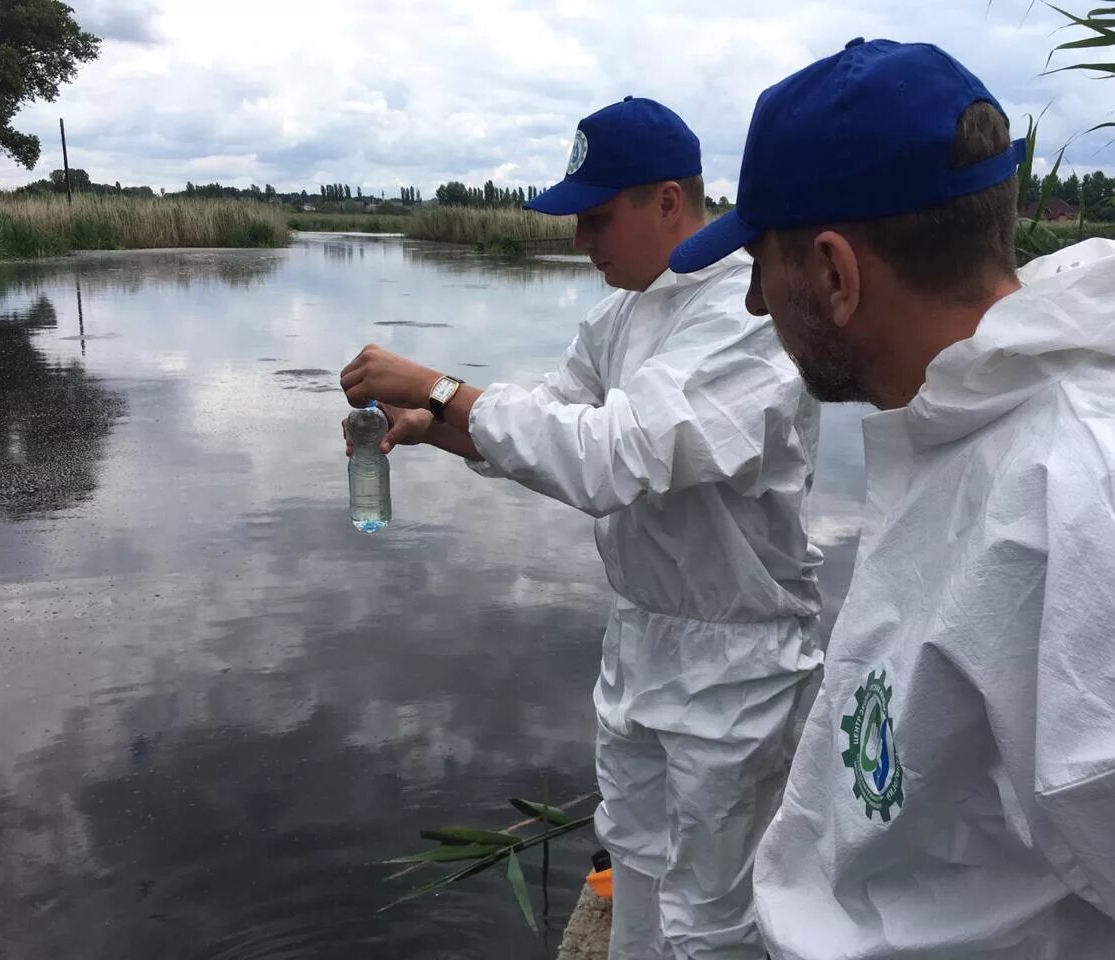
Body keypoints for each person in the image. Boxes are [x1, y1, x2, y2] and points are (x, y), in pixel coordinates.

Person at [670, 36, 1115, 960]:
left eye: (761, 263)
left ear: (834, 273)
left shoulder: (1085, 505)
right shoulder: (963, 429)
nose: (751, 304)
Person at [340, 96, 823, 958]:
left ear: (668, 202)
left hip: (738, 662)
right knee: (635, 863)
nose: (579, 242)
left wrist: (442, 387)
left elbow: (615, 457)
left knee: (711, 911)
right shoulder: (623, 314)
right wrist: (432, 428)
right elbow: (548, 425)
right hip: (640, 641)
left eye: (597, 218)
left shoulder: (749, 317)